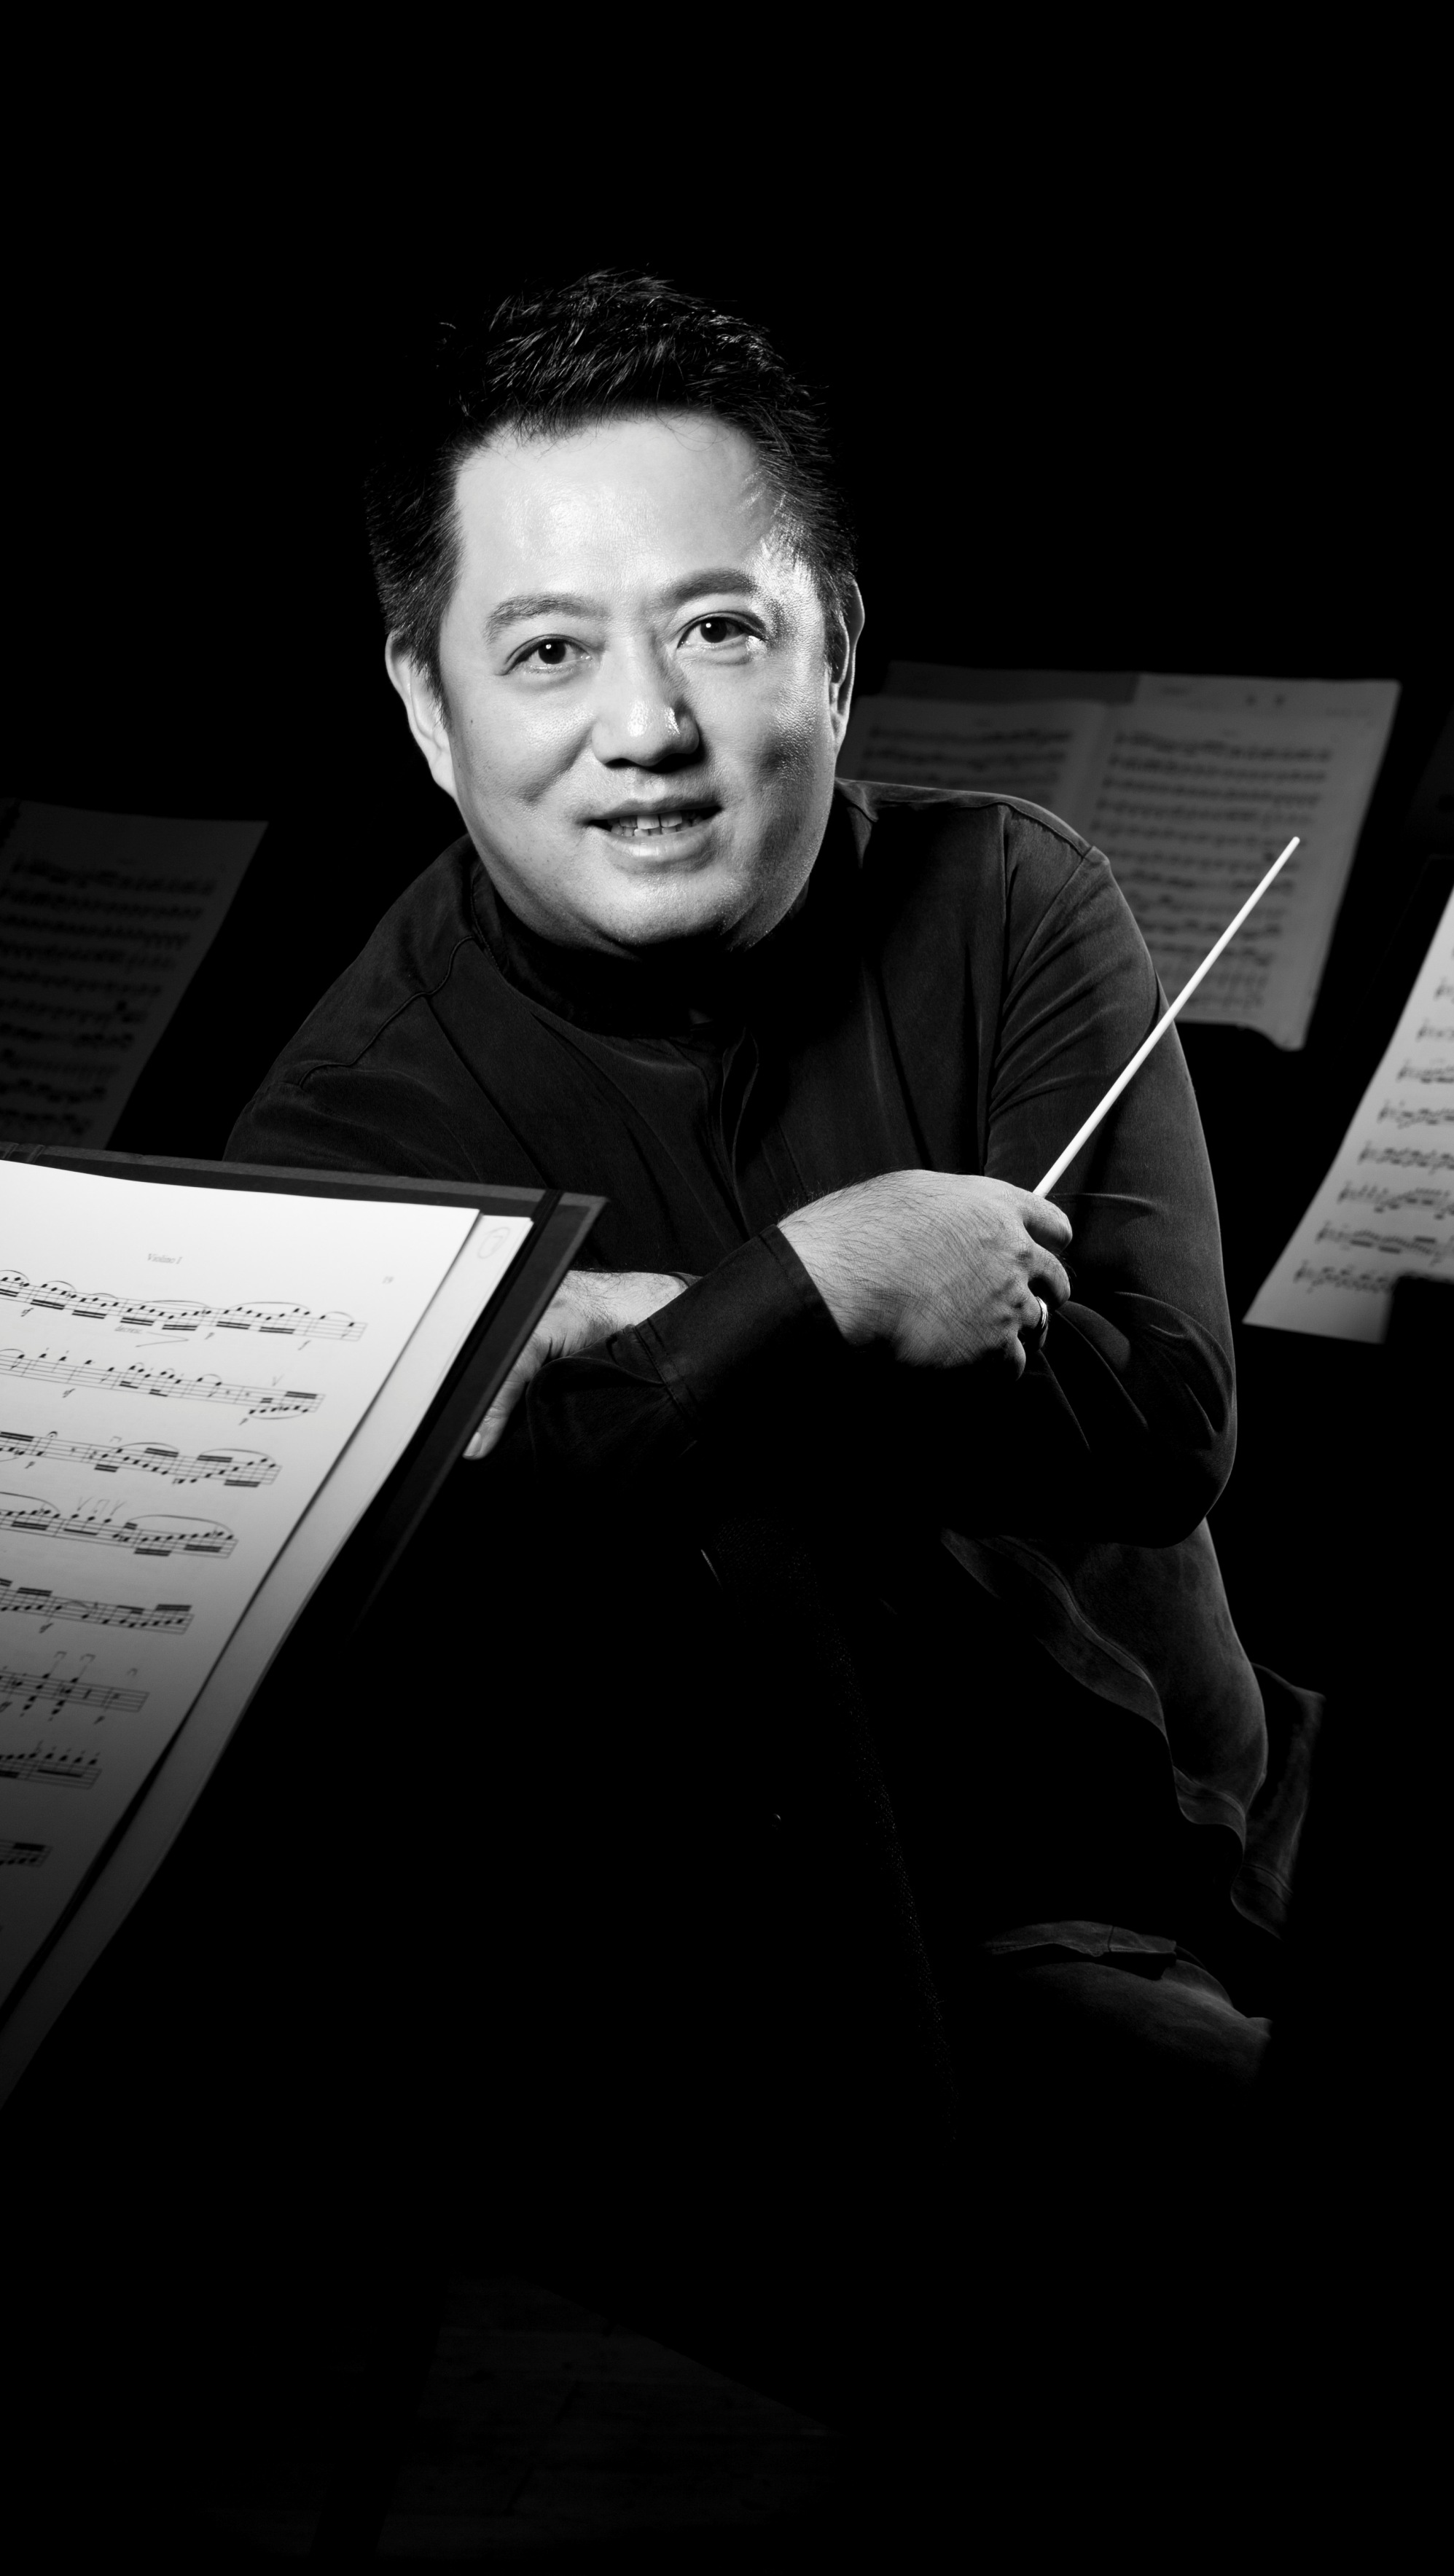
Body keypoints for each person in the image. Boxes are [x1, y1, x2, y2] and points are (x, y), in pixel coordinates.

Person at [224, 269, 1321, 2531]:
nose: (646, 726)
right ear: (428, 708)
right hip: (828, 1977)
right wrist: (824, 1284)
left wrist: (656, 1351)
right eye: (547, 651)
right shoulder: (347, 1121)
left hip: (1203, 1802)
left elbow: (1167, 1430)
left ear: (832, 645)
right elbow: (464, 1643)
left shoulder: (1012, 894)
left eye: (719, 627)